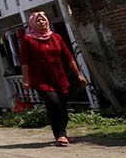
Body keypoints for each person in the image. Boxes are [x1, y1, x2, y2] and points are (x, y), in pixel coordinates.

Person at [20, 11, 87, 147]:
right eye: (38, 21)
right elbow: (25, 61)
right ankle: (59, 134)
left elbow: (68, 57)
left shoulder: (56, 37)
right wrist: (26, 80)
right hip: (40, 78)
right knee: (53, 102)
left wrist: (79, 75)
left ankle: (62, 132)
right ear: (33, 24)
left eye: (43, 20)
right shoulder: (28, 40)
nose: (41, 22)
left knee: (62, 106)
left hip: (59, 77)